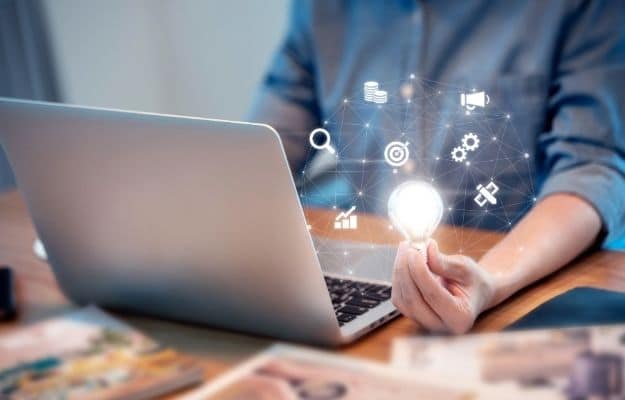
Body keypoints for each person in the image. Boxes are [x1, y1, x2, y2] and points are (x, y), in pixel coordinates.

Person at [248, 1, 625, 334]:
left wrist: (490, 281)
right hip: (367, 274)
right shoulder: (321, 8)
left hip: (521, 291)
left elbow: (592, 167)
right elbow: (268, 141)